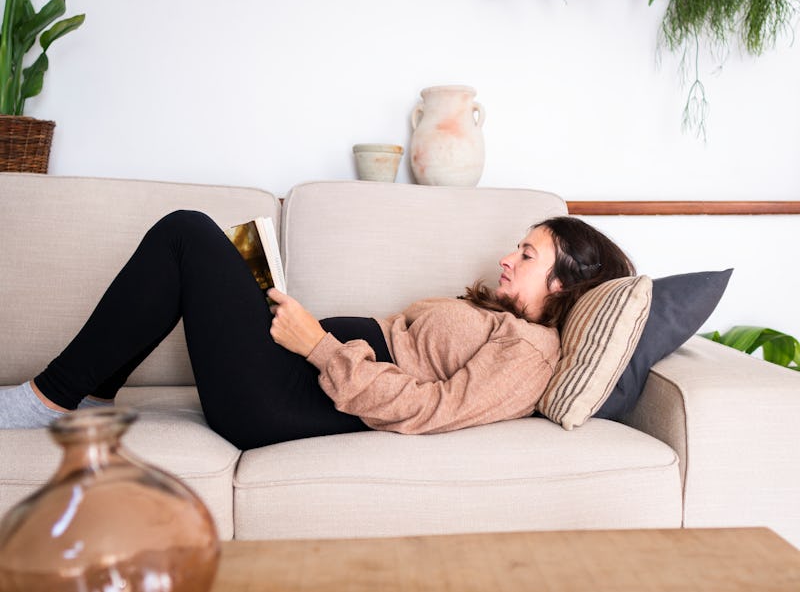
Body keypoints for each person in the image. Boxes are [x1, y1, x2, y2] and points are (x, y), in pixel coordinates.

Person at [0, 211, 634, 449]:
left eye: (527, 255)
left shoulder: (532, 352)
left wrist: (318, 345)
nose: (507, 257)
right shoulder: (501, 320)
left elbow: (433, 410)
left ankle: (46, 399)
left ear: (565, 282)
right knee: (202, 245)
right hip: (294, 373)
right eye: (515, 246)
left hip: (286, 401)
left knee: (185, 234)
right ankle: (84, 394)